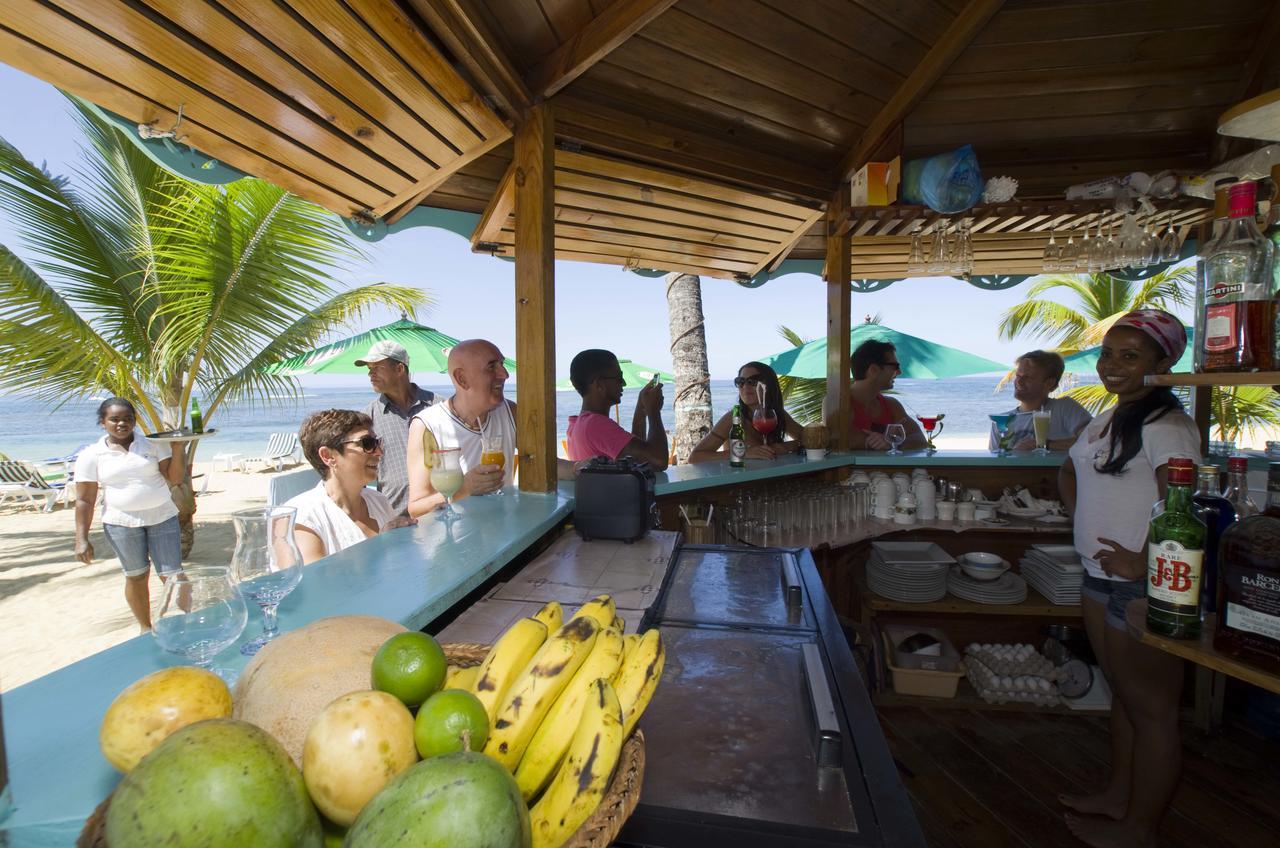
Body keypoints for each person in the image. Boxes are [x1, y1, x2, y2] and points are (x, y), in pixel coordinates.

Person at [1057, 309, 1201, 848]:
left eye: (1129, 356)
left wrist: (1142, 559)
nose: (1111, 366)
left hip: (1143, 585)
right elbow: (1069, 470)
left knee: (1153, 709)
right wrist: (1082, 519)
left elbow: (1185, 503)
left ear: (1164, 363)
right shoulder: (1110, 419)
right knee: (1123, 695)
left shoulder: (1169, 428)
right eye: (1107, 354)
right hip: (1100, 576)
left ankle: (1142, 828)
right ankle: (1120, 797)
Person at [73, 398, 185, 630]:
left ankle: (187, 620)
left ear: (134, 421)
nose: (122, 423)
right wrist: (81, 539)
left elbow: (174, 479)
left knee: (173, 575)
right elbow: (85, 499)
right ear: (103, 422)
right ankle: (146, 627)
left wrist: (177, 446)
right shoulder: (91, 455)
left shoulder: (153, 445)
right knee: (136, 575)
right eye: (114, 419)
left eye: (128, 419)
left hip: (163, 518)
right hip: (120, 523)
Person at [286, 409, 415, 564]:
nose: (379, 452)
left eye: (377, 442)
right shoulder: (304, 518)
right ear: (328, 456)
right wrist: (382, 545)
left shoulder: (378, 501)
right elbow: (315, 584)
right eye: (367, 444)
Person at [406, 339, 516, 517]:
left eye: (502, 364)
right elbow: (416, 508)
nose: (504, 374)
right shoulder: (427, 425)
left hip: (506, 536)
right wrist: (465, 488)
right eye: (492, 366)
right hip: (455, 540)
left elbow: (542, 462)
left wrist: (577, 467)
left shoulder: (510, 412)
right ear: (462, 379)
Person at [357, 340, 435, 514]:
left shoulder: (439, 407)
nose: (371, 374)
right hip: (395, 519)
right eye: (369, 369)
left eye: (376, 368)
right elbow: (357, 474)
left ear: (399, 369)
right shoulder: (367, 419)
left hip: (442, 510)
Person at [565, 349, 669, 470]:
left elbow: (636, 458)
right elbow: (659, 460)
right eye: (619, 378)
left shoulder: (578, 424)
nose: (623, 383)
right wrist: (653, 411)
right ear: (599, 384)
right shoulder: (596, 424)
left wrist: (641, 410)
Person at [689, 362, 803, 463]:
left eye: (752, 382)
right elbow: (695, 457)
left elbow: (808, 438)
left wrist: (785, 446)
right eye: (740, 381)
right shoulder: (734, 418)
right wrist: (743, 452)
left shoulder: (776, 415)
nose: (745, 386)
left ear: (769, 386)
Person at [826, 339, 926, 451]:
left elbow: (920, 440)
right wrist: (891, 440)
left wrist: (892, 443)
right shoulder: (838, 402)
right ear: (873, 370)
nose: (899, 372)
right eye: (895, 366)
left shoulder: (892, 405)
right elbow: (840, 439)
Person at [987, 350, 1091, 452]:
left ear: (1049, 383)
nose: (1019, 382)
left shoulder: (1063, 407)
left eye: (1028, 378)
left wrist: (1046, 445)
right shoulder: (1001, 422)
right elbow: (993, 465)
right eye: (1018, 376)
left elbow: (1097, 440)